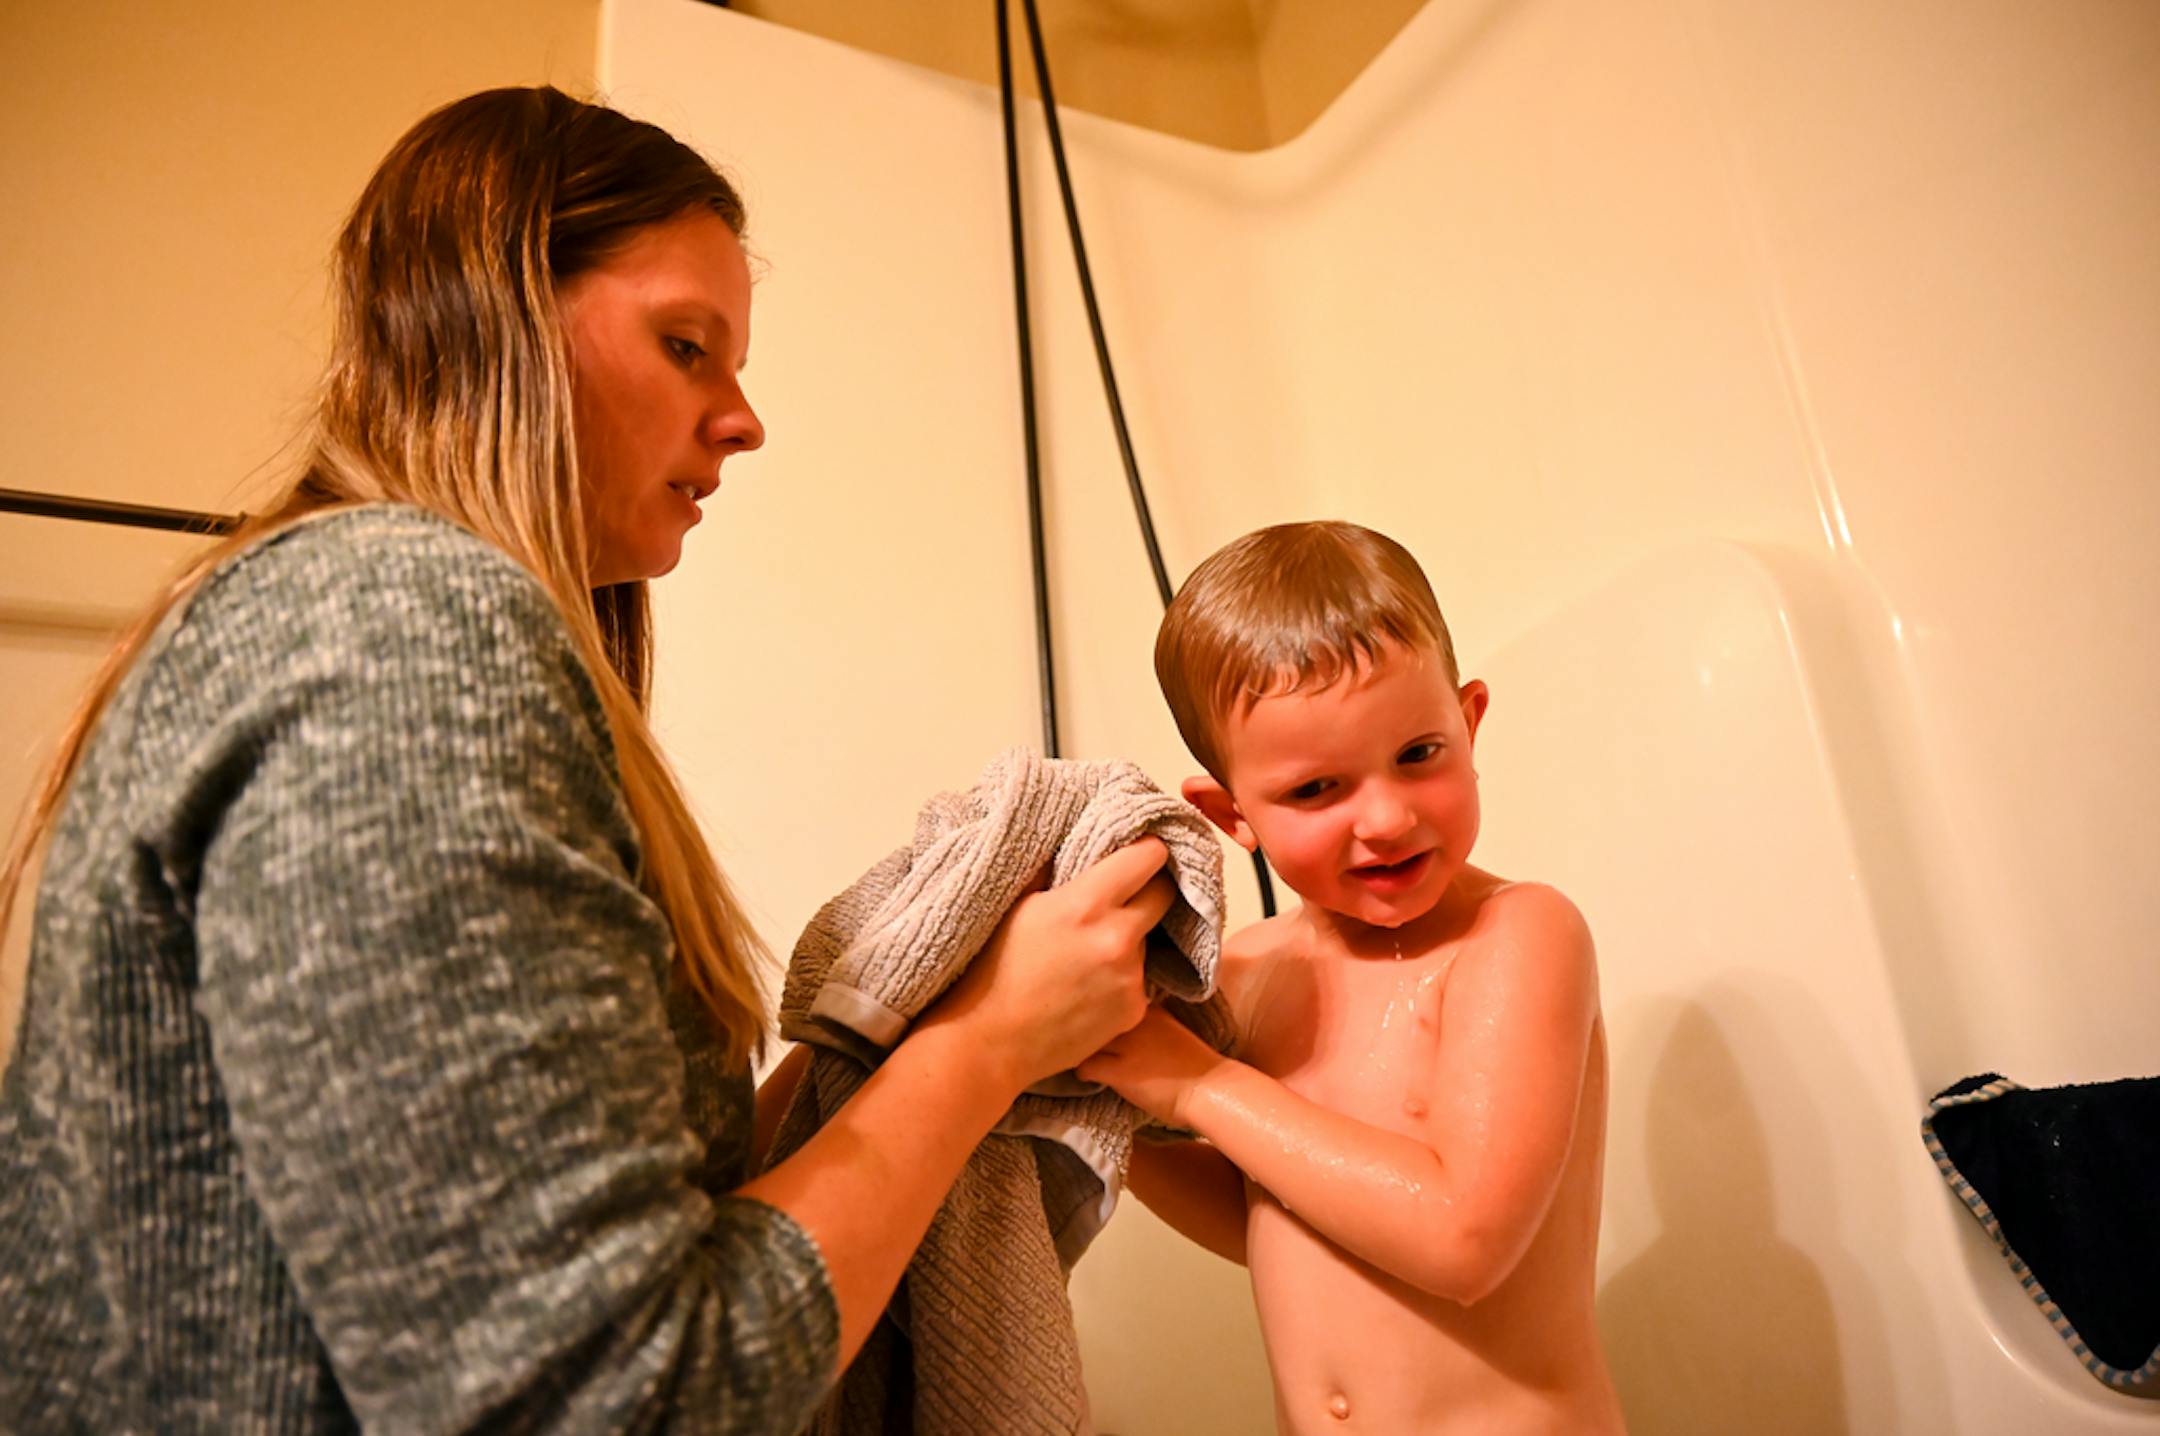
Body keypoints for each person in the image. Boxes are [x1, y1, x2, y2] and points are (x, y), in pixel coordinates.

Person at [0, 86, 1173, 1434]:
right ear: (490, 314)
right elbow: (600, 1398)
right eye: (688, 345)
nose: (743, 419)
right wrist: (982, 1045)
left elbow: (610, 1254)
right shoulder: (401, 632)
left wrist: (891, 1020)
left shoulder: (342, 628)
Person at [1077, 521, 1625, 1434]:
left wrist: (1196, 1084)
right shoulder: (1249, 970)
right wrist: (1115, 1109)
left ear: (1470, 722)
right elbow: (1279, 1223)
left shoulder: (1517, 937)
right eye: (1316, 790)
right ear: (1230, 813)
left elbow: (1464, 1239)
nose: (1386, 818)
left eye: (1418, 754)